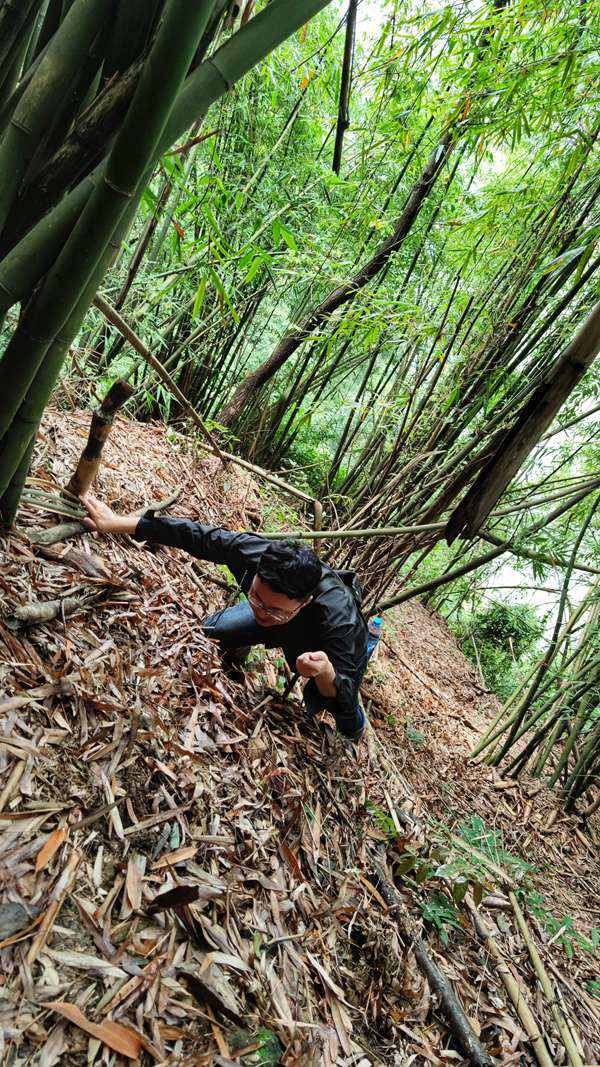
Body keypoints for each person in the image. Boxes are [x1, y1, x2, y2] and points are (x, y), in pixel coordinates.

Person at [81, 494, 379, 743]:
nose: (261, 612)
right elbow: (197, 536)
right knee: (211, 631)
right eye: (256, 597)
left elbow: (342, 688)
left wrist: (325, 673)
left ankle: (356, 725)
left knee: (346, 717)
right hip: (284, 626)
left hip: (318, 646)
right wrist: (118, 523)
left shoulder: (339, 622)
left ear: (305, 602)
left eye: (274, 609)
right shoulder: (258, 554)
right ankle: (241, 646)